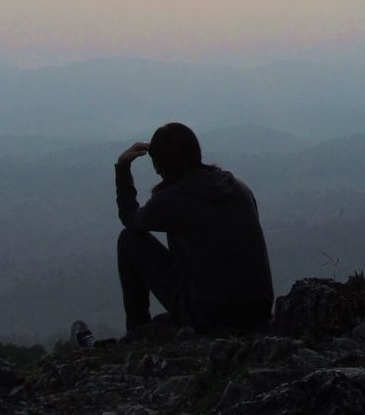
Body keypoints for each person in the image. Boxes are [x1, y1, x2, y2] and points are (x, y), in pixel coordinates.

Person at [114, 122, 274, 336]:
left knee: (129, 240)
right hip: (258, 310)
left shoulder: (173, 199)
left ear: (160, 165)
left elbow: (130, 217)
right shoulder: (237, 187)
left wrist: (123, 167)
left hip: (209, 313)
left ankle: (137, 330)